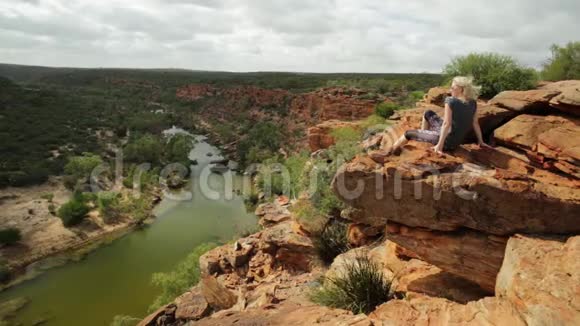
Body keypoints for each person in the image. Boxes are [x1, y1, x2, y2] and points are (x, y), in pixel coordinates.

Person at [389, 76, 491, 155]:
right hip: (456, 141)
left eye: (453, 87)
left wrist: (439, 146)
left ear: (461, 89)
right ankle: (425, 138)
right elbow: (475, 123)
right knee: (428, 113)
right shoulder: (473, 102)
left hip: (446, 142)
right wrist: (481, 141)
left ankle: (390, 152)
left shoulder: (450, 101)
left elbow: (446, 124)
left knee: (408, 133)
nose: (450, 90)